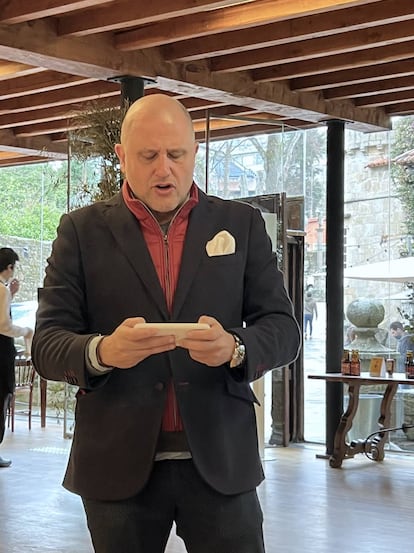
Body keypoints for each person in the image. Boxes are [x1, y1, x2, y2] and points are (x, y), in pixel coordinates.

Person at [32, 94, 301, 553]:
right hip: (117, 465)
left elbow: (282, 328)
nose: (164, 169)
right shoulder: (81, 232)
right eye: (148, 155)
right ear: (121, 157)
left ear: (195, 151)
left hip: (221, 460)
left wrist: (235, 347)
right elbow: (48, 344)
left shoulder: (241, 225)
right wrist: (101, 352)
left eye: (176, 154)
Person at [0, 247, 33, 468]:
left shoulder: (4, 290)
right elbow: (4, 325)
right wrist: (26, 331)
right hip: (1, 351)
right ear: (10, 267)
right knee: (2, 396)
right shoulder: (2, 290)